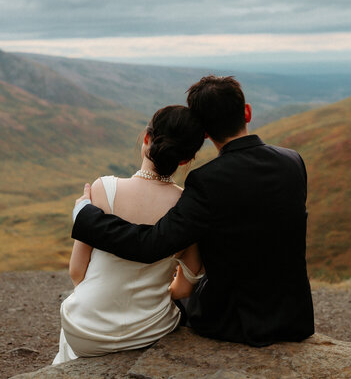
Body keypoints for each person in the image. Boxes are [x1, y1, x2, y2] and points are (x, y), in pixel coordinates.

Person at [72, 76, 314, 347]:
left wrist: (85, 216)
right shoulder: (293, 161)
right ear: (247, 112)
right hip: (295, 318)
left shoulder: (207, 180)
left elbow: (152, 245)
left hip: (236, 324)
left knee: (184, 295)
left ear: (206, 133)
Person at [53, 105, 206, 365]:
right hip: (151, 329)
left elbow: (77, 272)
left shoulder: (104, 188)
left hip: (86, 329)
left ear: (146, 138)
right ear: (185, 160)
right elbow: (184, 287)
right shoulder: (186, 207)